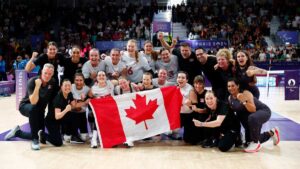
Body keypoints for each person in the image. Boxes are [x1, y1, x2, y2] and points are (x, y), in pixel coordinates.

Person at [4, 63, 56, 150]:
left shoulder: (52, 82)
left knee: (40, 135)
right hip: (26, 106)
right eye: (45, 73)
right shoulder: (32, 81)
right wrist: (37, 86)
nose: (47, 76)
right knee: (33, 109)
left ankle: (17, 132)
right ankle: (34, 140)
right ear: (42, 71)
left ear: (52, 74)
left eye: (49, 74)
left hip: (40, 112)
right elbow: (33, 101)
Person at [227, 78, 280, 153]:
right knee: (249, 141)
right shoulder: (230, 98)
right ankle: (272, 132)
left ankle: (255, 143)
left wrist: (244, 101)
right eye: (229, 86)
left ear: (238, 86)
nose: (231, 88)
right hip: (252, 117)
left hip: (263, 111)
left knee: (252, 119)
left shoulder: (246, 93)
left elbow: (253, 109)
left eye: (233, 86)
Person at [39, 79, 86, 148]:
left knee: (76, 115)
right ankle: (42, 134)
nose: (67, 87)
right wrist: (66, 110)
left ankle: (73, 135)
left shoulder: (69, 93)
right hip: (52, 121)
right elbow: (57, 116)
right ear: (61, 87)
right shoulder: (58, 99)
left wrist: (83, 100)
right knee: (58, 143)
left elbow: (74, 105)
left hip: (61, 119)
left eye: (69, 85)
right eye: (65, 85)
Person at [88, 71, 114, 148]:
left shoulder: (110, 85)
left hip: (111, 110)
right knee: (98, 116)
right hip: (100, 111)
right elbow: (90, 99)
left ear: (106, 77)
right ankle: (94, 140)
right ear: (96, 78)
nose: (101, 77)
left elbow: (118, 81)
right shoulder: (93, 88)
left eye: (103, 75)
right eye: (99, 75)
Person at [175, 71, 198, 144]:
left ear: (187, 80)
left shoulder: (190, 89)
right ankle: (173, 132)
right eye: (179, 77)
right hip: (179, 115)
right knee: (172, 130)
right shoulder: (175, 87)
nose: (180, 79)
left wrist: (190, 104)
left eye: (183, 78)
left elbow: (196, 104)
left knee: (189, 140)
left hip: (189, 116)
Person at [70, 73, 90, 142]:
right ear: (74, 81)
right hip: (71, 114)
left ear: (84, 81)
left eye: (81, 80)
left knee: (84, 138)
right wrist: (83, 102)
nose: (78, 82)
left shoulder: (87, 89)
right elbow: (73, 105)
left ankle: (77, 134)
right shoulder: (70, 87)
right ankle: (71, 133)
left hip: (82, 114)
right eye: (76, 80)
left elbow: (92, 96)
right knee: (67, 138)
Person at [190, 75, 209, 144]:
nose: (198, 86)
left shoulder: (207, 93)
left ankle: (206, 137)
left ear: (203, 84)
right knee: (191, 140)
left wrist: (197, 110)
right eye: (196, 83)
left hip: (205, 116)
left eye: (200, 84)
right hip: (196, 116)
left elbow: (207, 110)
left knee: (201, 117)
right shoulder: (192, 93)